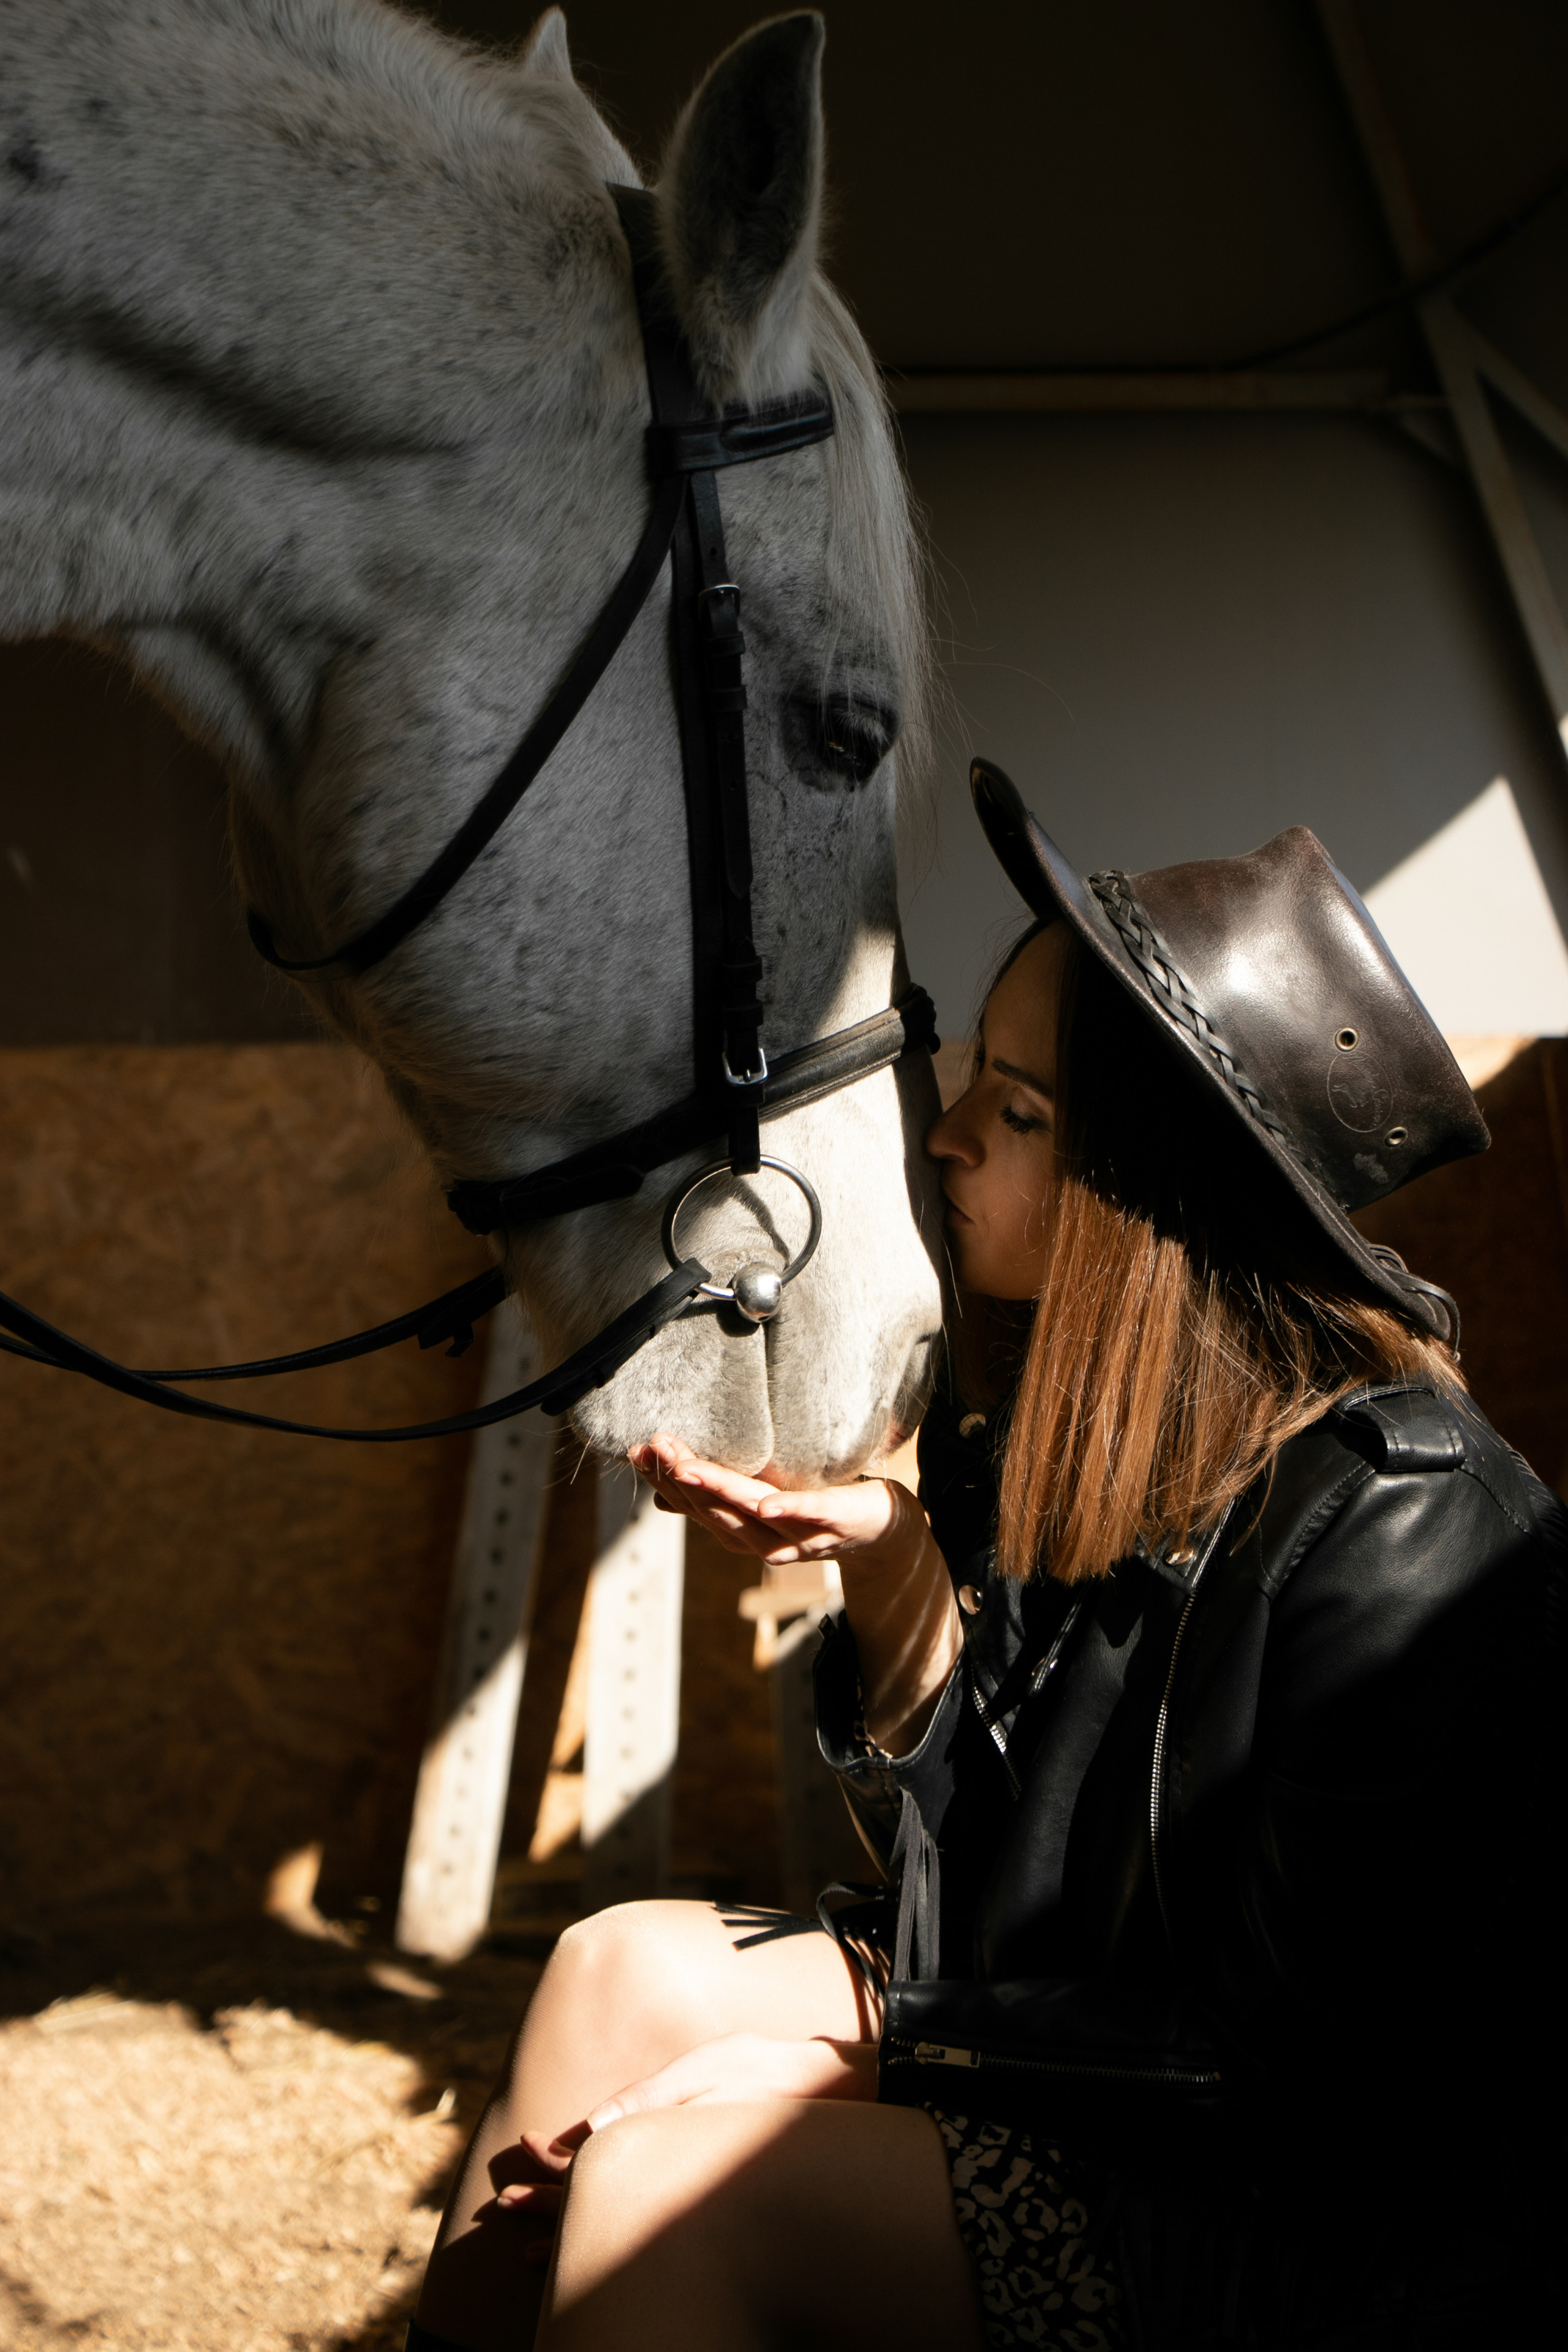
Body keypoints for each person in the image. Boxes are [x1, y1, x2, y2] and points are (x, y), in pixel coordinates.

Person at [409, 760, 1561, 2352]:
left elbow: (1295, 2068)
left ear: (1148, 1193)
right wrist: (890, 1572)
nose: (944, 1139)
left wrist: (887, 2060)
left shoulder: (1405, 1518)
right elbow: (1002, 1905)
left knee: (687, 2178)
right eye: (973, 1081)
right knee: (621, 1972)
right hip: (1113, 2093)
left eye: (1016, 1112)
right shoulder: (1066, 1428)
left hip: (1304, 2232)